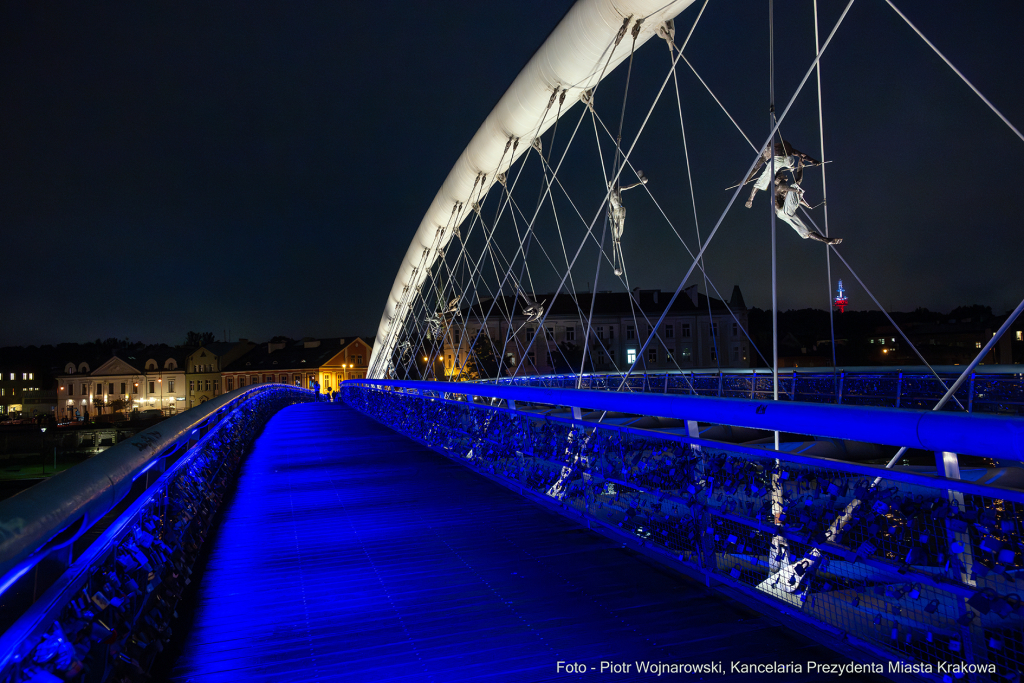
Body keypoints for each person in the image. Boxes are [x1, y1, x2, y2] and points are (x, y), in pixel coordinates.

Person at [773, 165, 842, 245]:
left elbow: (796, 197)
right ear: (779, 178)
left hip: (782, 214)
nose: (785, 175)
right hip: (784, 210)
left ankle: (825, 240)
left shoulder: (781, 188)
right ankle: (800, 165)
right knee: (796, 184)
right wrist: (799, 166)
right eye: (782, 174)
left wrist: (807, 205)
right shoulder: (781, 185)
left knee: (804, 230)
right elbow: (793, 190)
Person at [744, 141, 819, 209]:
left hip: (778, 161)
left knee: (764, 177)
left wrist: (747, 179)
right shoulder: (785, 146)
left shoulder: (767, 151)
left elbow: (756, 168)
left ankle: (750, 199)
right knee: (788, 163)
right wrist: (812, 160)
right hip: (789, 160)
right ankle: (793, 166)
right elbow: (802, 154)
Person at [608, 170, 648, 276]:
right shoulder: (609, 194)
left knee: (620, 226)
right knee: (614, 228)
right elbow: (609, 206)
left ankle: (618, 238)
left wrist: (639, 183)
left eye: (613, 184)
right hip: (614, 211)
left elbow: (628, 186)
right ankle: (616, 239)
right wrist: (610, 214)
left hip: (620, 209)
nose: (612, 185)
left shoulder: (618, 189)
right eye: (610, 184)